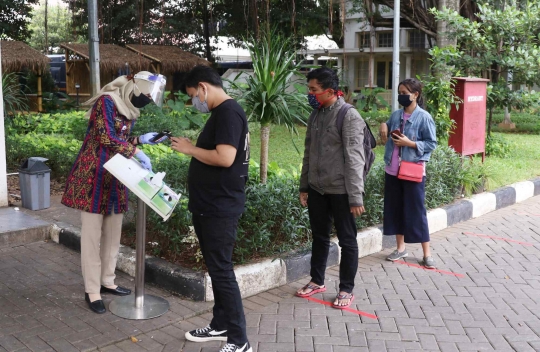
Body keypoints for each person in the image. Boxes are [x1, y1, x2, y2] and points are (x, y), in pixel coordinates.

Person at [61, 72, 168, 314]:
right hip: (94, 177)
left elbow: (119, 137)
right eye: (146, 97)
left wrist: (140, 140)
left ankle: (107, 281)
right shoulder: (107, 101)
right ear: (135, 87)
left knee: (113, 233)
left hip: (117, 176)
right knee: (91, 237)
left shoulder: (128, 106)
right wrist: (135, 152)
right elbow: (104, 136)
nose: (146, 102)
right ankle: (92, 290)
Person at [170, 65, 251, 352]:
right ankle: (221, 324)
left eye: (193, 95)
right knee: (217, 270)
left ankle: (239, 341)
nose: (194, 102)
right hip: (211, 204)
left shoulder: (228, 112)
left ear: (203, 87)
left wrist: (190, 149)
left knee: (222, 271)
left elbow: (225, 158)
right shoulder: (222, 113)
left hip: (220, 206)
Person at [296, 66, 366, 309]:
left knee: (347, 241)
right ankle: (317, 280)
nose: (310, 94)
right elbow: (308, 153)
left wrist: (356, 197)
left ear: (329, 91)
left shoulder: (348, 115)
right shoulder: (315, 115)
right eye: (310, 89)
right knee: (319, 236)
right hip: (317, 189)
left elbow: (356, 158)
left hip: (341, 191)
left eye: (314, 90)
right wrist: (304, 185)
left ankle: (346, 288)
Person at [379, 78, 437, 268]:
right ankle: (400, 248)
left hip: (412, 171)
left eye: (405, 93)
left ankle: (426, 254)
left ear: (415, 95)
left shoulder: (424, 117)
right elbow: (388, 128)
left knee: (417, 211)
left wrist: (410, 144)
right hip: (393, 170)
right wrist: (383, 126)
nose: (401, 96)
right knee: (396, 209)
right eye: (400, 92)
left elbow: (431, 143)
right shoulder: (396, 115)